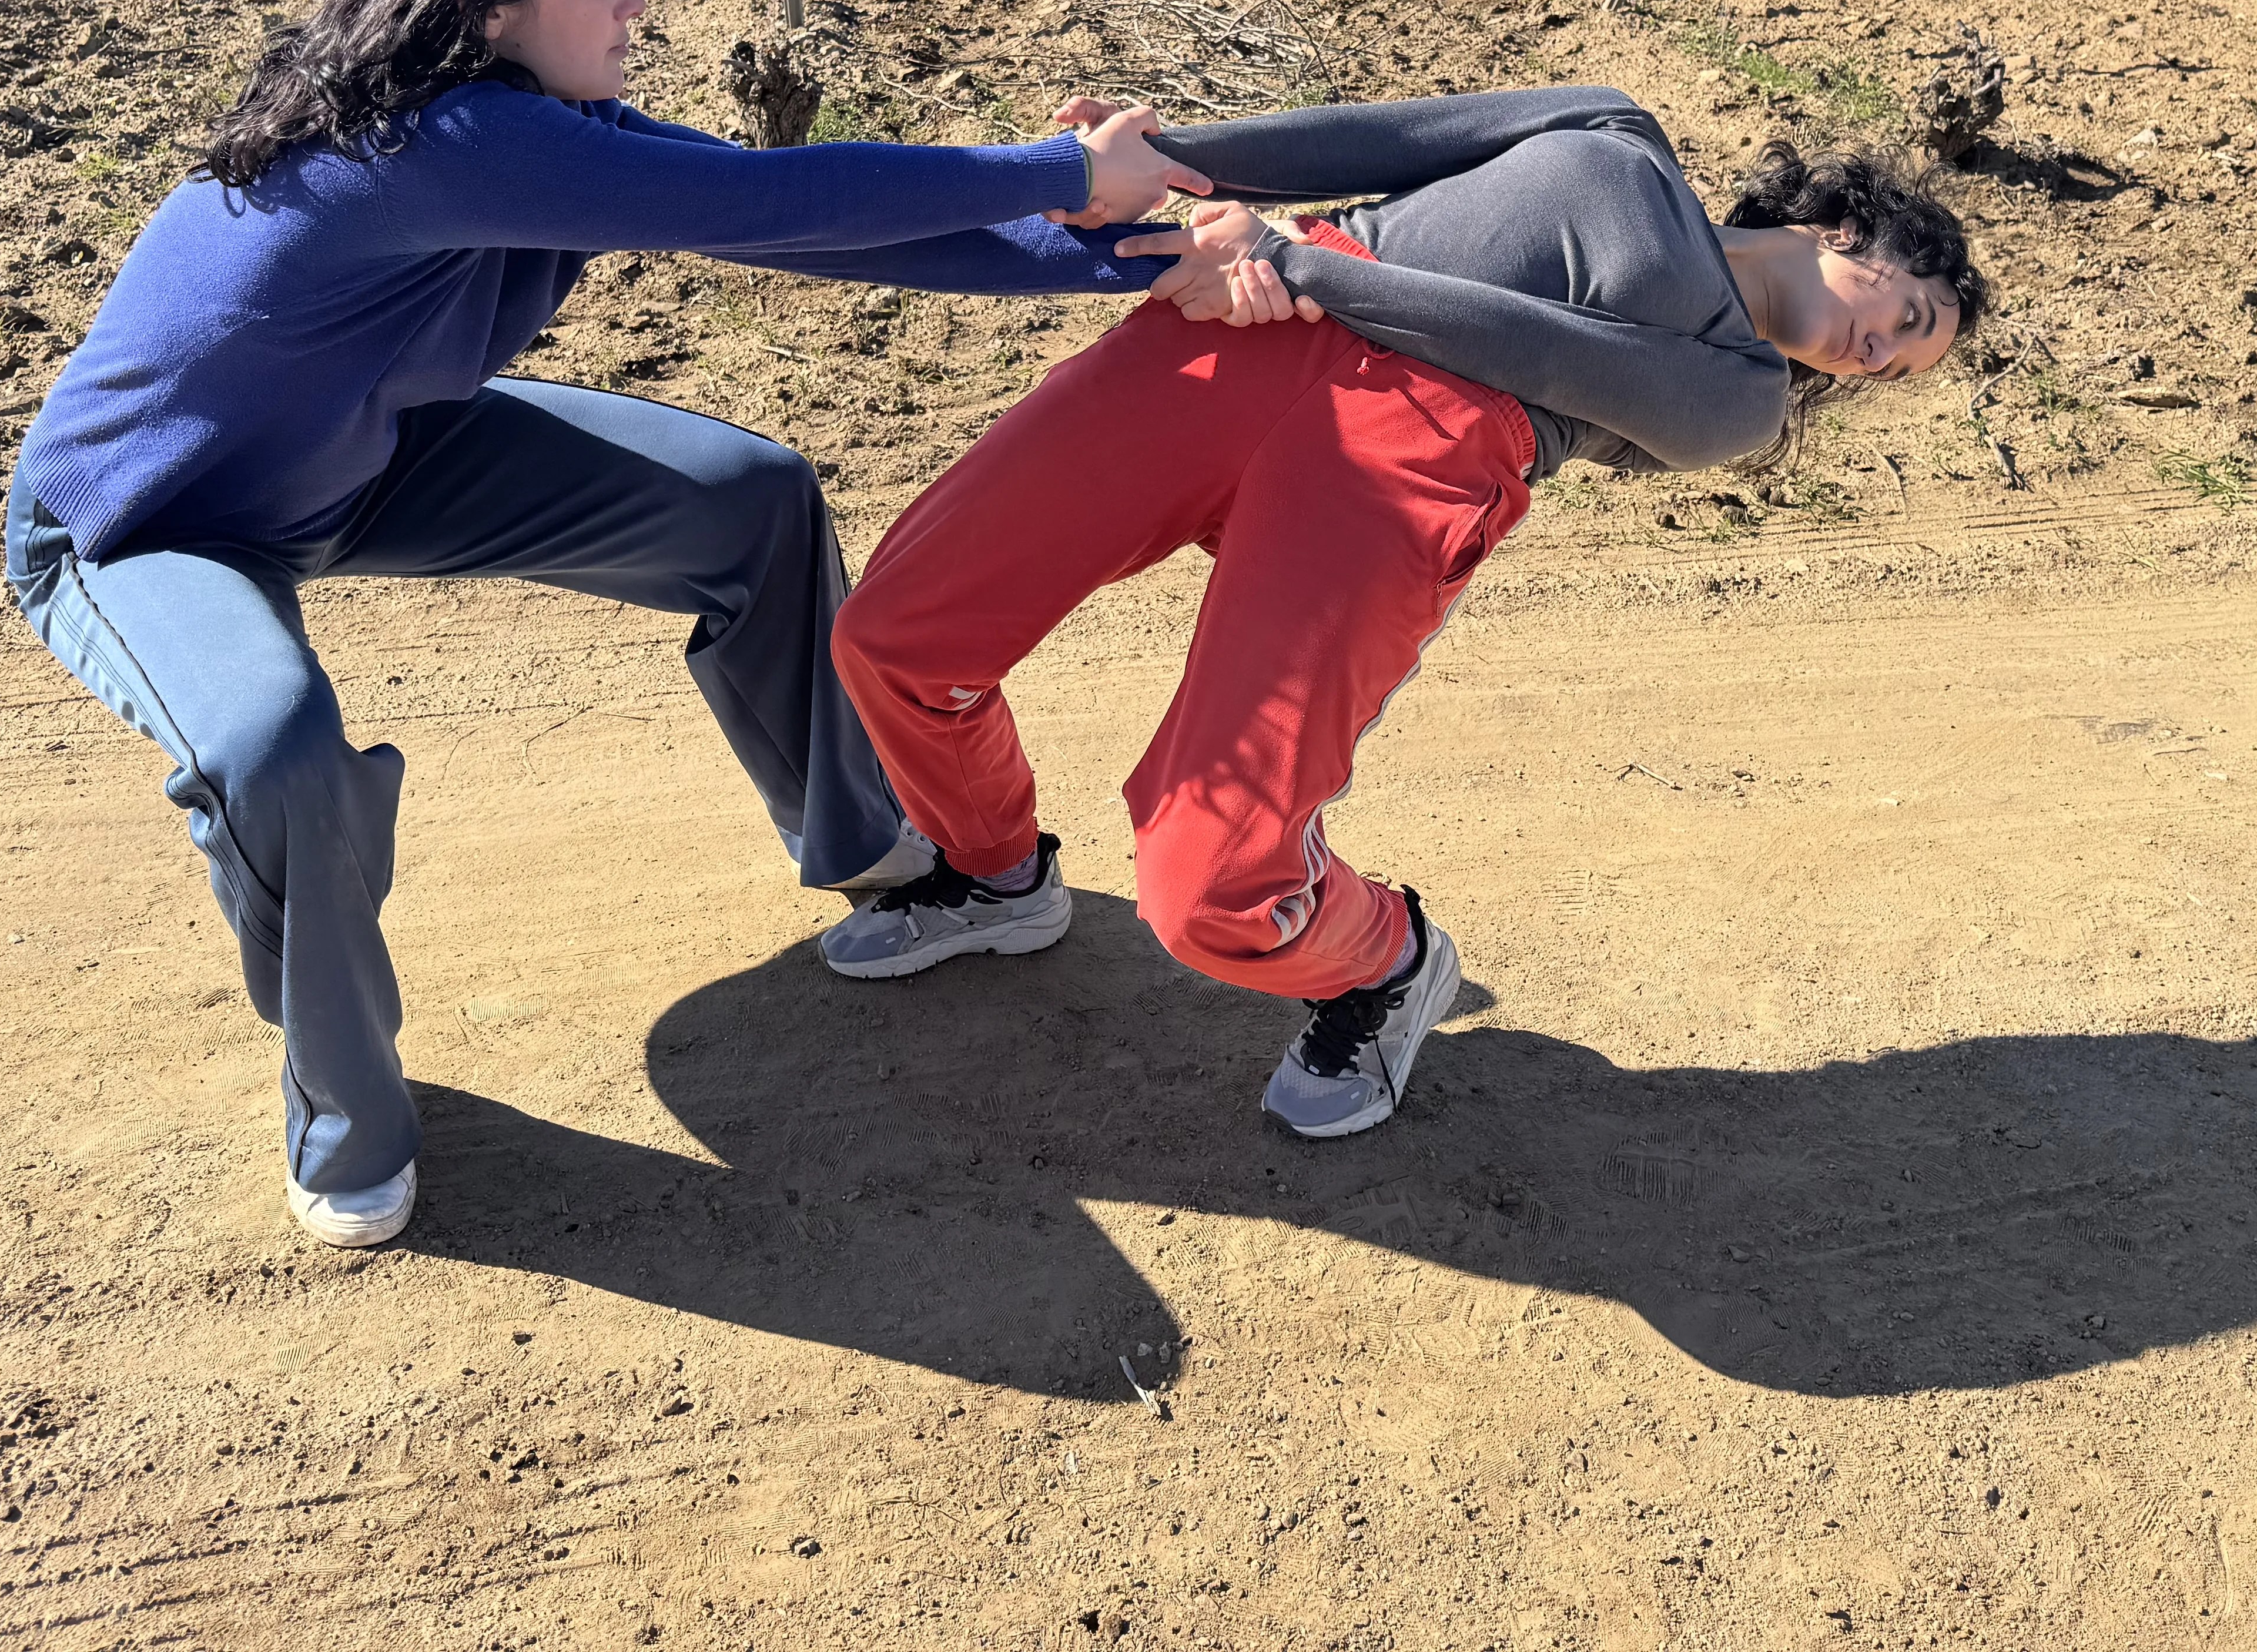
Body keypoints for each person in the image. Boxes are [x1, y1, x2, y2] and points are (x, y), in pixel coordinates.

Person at [4, 0, 1217, 1248]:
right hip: (146, 523)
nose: (635, 1)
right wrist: (1060, 168)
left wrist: (1134, 257)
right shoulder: (437, 140)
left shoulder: (534, 125)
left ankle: (880, 850)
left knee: (748, 502)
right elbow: (765, 194)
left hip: (368, 456)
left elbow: (801, 228)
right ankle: (345, 1122)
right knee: (272, 751)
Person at [818, 86, 1990, 1138]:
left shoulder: (1739, 400)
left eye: (1895, 368)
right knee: (900, 634)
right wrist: (1151, 163)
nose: (1875, 355)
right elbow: (1378, 142)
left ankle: (1384, 962)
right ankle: (994, 874)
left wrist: (1302, 266)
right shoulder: (1617, 130)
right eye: (1908, 317)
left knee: (1214, 883)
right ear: (1856, 230)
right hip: (1254, 330)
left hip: (1410, 451)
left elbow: (1532, 345)